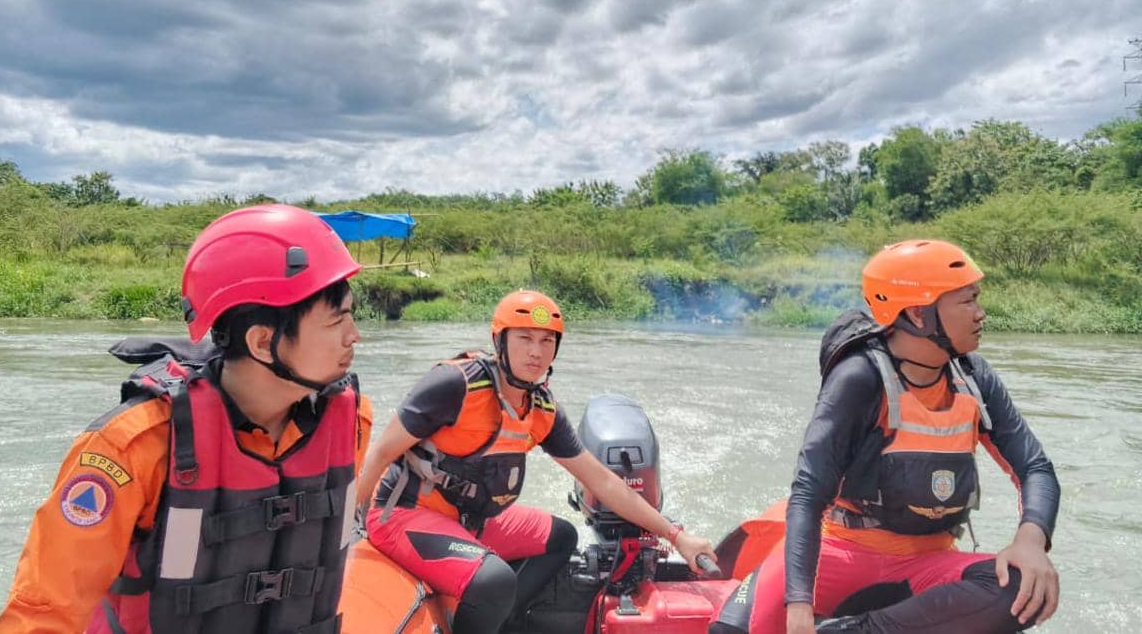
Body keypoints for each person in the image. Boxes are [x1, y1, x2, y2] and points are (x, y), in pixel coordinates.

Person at [0, 203, 371, 634]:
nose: (354, 334)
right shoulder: (134, 447)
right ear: (264, 342)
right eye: (337, 318)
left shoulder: (352, 420)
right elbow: (44, 612)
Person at [711, 239, 1060, 634]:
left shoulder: (974, 378)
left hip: (927, 562)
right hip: (839, 552)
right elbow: (808, 495)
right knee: (728, 631)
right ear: (918, 313)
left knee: (1022, 589)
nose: (981, 313)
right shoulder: (860, 377)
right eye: (967, 301)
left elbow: (1034, 467)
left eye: (977, 299)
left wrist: (1031, 542)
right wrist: (799, 610)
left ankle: (849, 630)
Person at [355, 289, 718, 633]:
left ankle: (500, 621)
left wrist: (675, 536)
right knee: (493, 580)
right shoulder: (454, 385)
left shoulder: (542, 410)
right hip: (404, 513)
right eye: (525, 339)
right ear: (500, 341)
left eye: (547, 341)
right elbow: (382, 451)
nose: (536, 352)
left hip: (472, 521)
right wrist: (354, 522)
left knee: (561, 537)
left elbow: (603, 482)